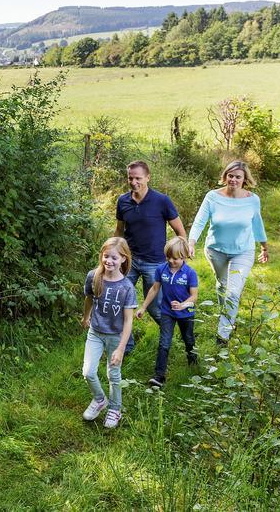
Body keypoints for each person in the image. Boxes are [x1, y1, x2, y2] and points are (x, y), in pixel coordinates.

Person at [188, 160, 269, 345]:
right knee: (222, 285)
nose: (233, 179)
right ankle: (226, 313)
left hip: (243, 251)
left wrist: (264, 247)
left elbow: (257, 224)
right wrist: (191, 242)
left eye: (237, 177)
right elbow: (200, 221)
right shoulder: (212, 197)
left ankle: (223, 335)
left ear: (244, 179)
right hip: (216, 250)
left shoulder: (252, 200)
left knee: (233, 292)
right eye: (230, 176)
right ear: (225, 177)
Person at [115, 161, 187, 351]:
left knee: (155, 307)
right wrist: (113, 253)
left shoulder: (161, 201)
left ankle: (171, 338)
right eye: (130, 178)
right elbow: (119, 231)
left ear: (148, 178)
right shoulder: (122, 201)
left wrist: (181, 255)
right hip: (128, 261)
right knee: (121, 303)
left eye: (138, 178)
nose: (133, 182)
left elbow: (179, 231)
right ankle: (126, 347)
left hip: (154, 262)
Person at [81, 237, 137, 429]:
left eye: (114, 257)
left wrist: (121, 348)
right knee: (88, 371)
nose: (109, 261)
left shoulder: (127, 287)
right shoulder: (94, 276)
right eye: (106, 256)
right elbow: (89, 298)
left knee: (113, 374)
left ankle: (115, 409)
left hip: (115, 336)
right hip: (95, 332)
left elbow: (129, 320)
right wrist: (85, 316)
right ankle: (99, 400)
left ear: (123, 259)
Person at [137, 236, 198, 387]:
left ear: (184, 256)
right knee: (164, 343)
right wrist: (143, 307)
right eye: (168, 257)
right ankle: (159, 376)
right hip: (167, 312)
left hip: (186, 313)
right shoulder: (161, 269)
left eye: (175, 258)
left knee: (188, 339)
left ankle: (193, 361)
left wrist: (183, 305)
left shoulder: (190, 273)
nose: (171, 261)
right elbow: (155, 288)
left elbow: (194, 296)